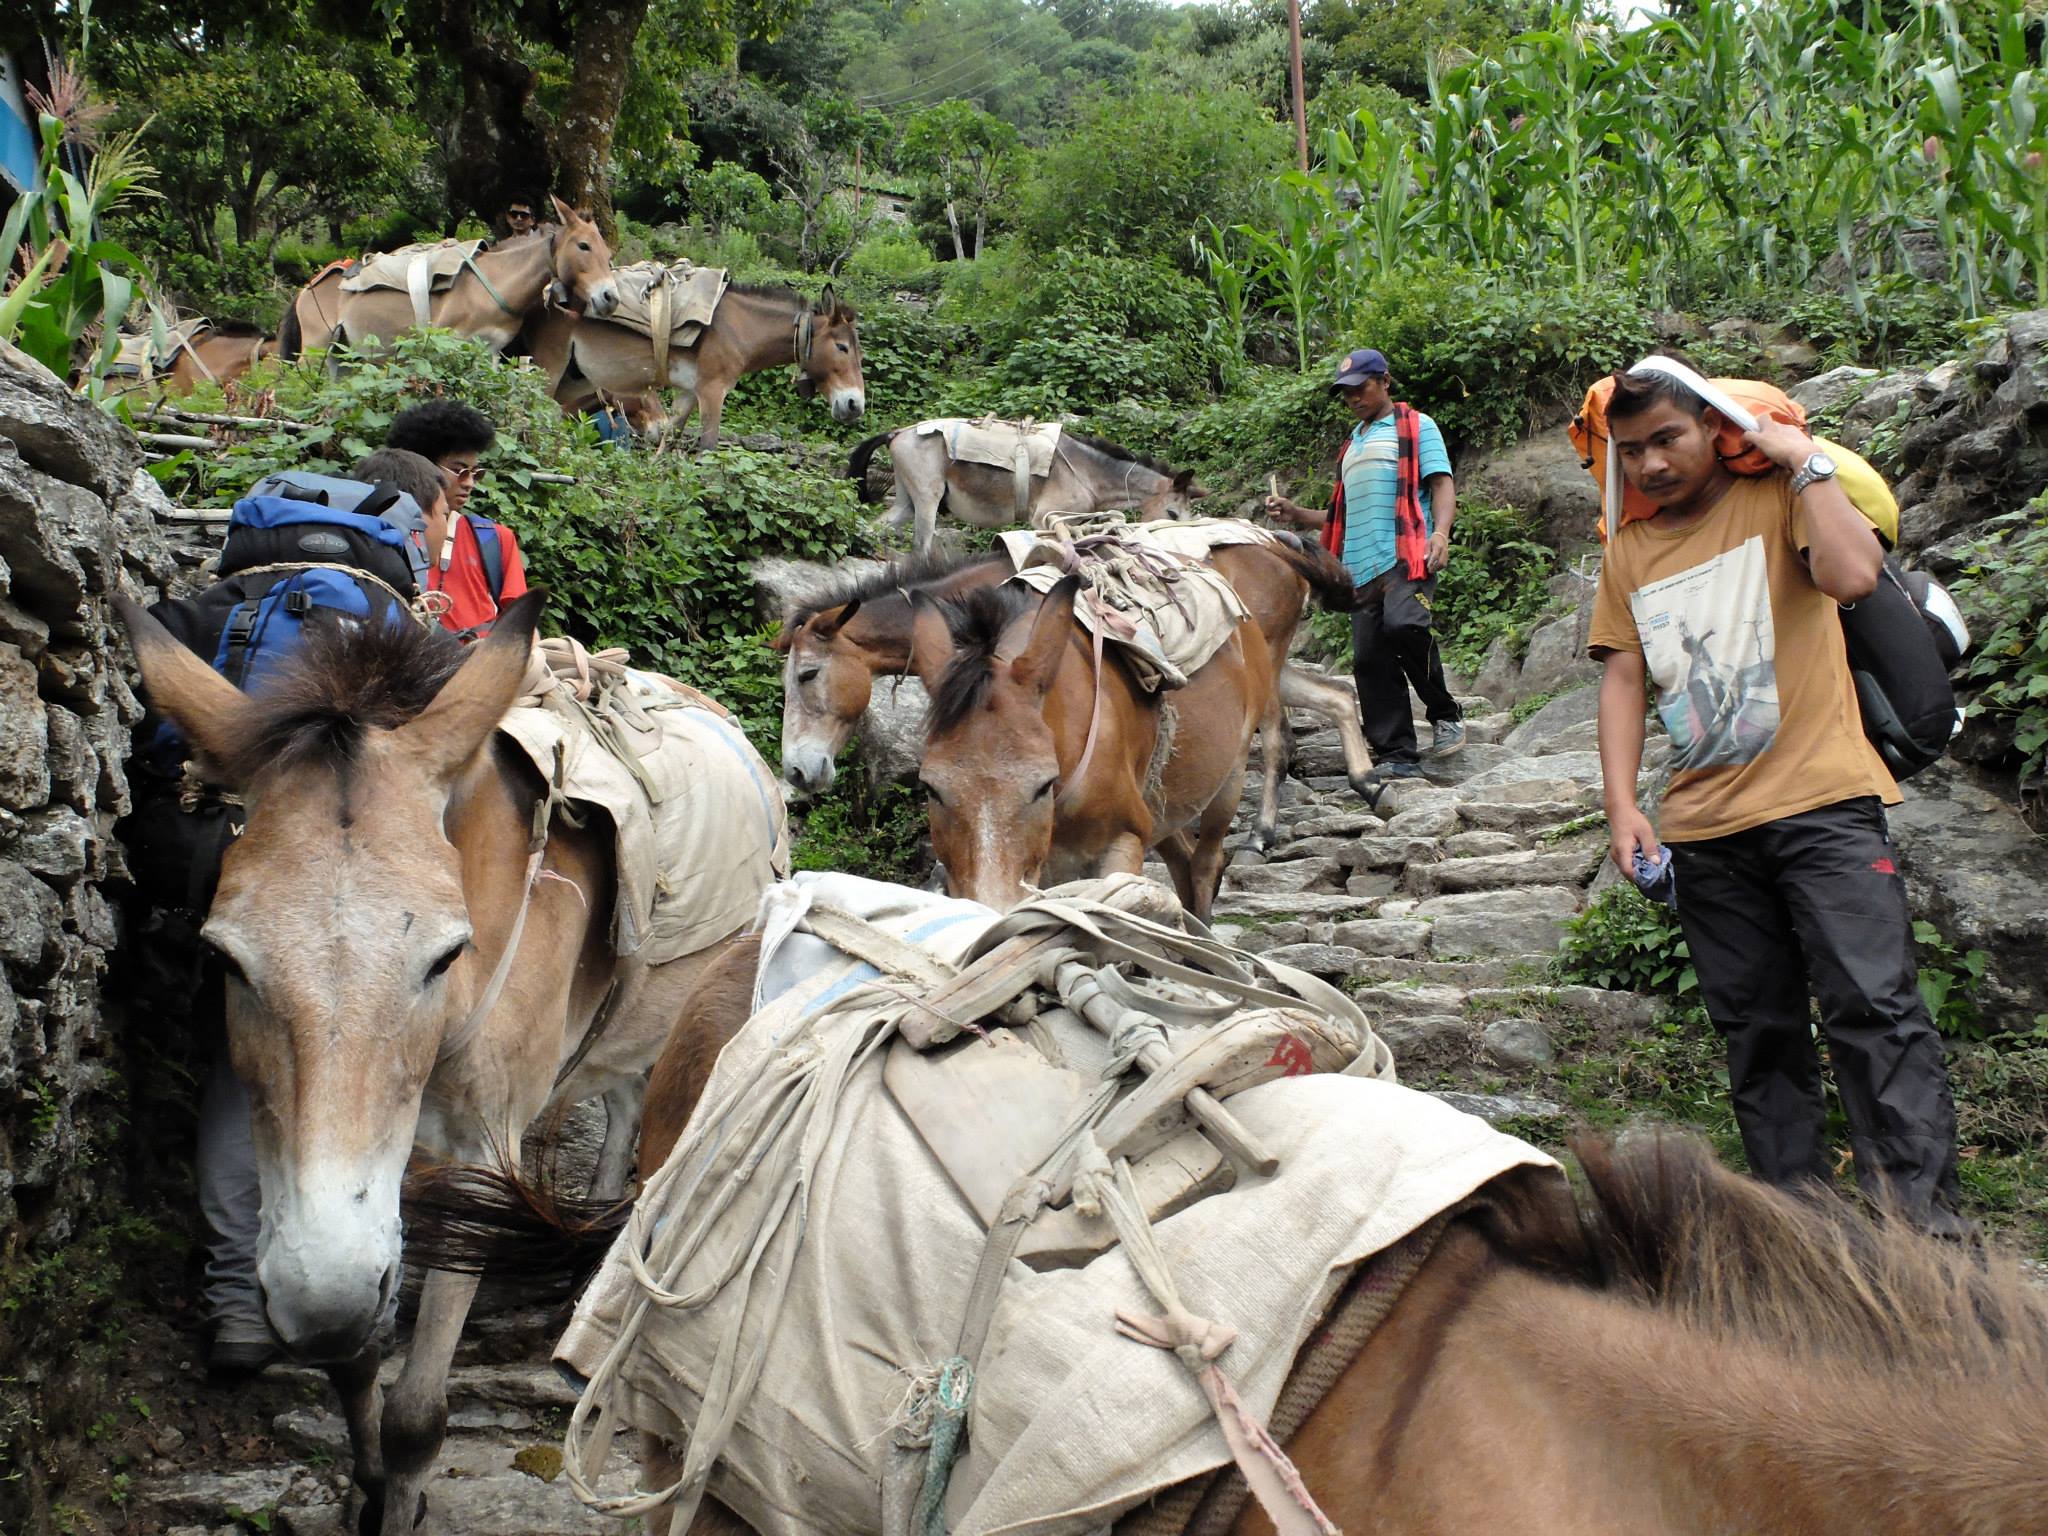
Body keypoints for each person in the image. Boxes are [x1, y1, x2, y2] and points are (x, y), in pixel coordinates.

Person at [1587, 362, 1969, 1237]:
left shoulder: (1779, 502)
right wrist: (1623, 807)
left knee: (1875, 1009)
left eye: (1667, 440)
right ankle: (1800, 1233)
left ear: (1714, 432)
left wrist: (1806, 463)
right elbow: (1621, 678)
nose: (1649, 464)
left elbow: (1853, 578)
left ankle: (1924, 1237)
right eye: (1631, 450)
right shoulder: (1629, 553)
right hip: (1704, 826)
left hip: (1823, 803)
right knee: (1757, 1034)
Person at [1265, 348, 1465, 789]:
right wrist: (1295, 512)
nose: (1353, 398)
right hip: (1358, 565)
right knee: (1370, 658)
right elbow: (1341, 513)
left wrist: (1441, 534)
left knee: (1405, 624)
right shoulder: (1352, 444)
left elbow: (1441, 484)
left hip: (1407, 552)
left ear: (1384, 381)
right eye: (1346, 394)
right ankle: (1397, 754)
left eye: (1361, 388)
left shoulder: (1416, 428)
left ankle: (1445, 712)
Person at [385, 402, 530, 638]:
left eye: (475, 473)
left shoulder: (495, 539)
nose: (470, 483)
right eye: (460, 470)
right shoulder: (384, 532)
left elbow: (522, 626)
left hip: (481, 668)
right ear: (422, 465)